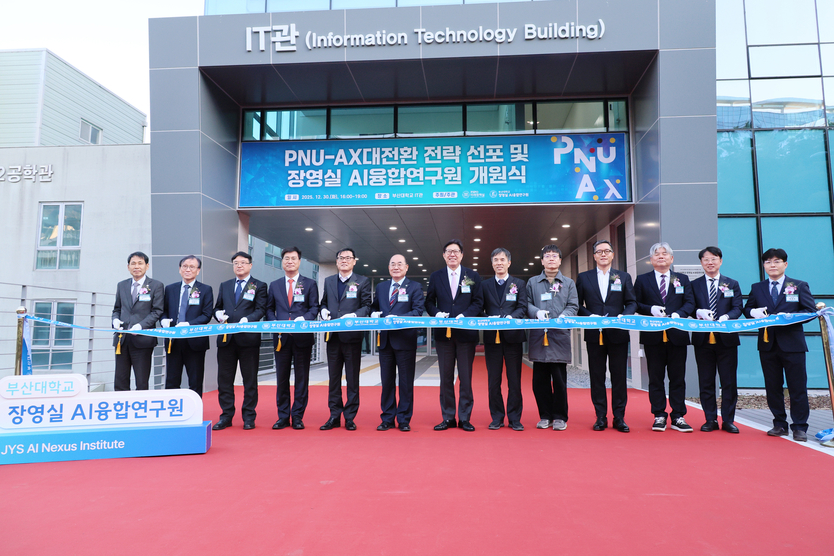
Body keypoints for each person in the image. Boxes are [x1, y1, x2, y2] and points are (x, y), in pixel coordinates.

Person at [744, 248, 816, 442]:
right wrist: (753, 313)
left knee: (797, 387)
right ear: (764, 265)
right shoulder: (757, 287)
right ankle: (779, 424)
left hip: (793, 345)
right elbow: (747, 309)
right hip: (768, 344)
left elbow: (810, 311)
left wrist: (791, 317)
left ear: (785, 264)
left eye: (776, 261)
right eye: (768, 262)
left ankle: (799, 427)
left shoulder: (798, 285)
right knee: (773, 387)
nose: (772, 265)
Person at [633, 242, 695, 432]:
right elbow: (635, 303)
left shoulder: (682, 279)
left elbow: (690, 302)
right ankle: (659, 414)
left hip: (677, 335)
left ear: (671, 258)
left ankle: (678, 416)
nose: (661, 256)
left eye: (665, 253)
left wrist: (679, 314)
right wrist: (650, 309)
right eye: (657, 254)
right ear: (651, 259)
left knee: (678, 378)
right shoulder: (642, 280)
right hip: (653, 336)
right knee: (655, 378)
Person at [576, 240, 636, 433]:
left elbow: (632, 302)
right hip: (595, 334)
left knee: (619, 376)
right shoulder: (584, 277)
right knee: (597, 376)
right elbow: (577, 305)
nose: (603, 254)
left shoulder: (623, 276)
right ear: (594, 256)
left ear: (612, 255)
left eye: (607, 251)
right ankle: (600, 416)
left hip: (618, 333)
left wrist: (624, 316)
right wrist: (589, 316)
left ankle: (619, 417)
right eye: (599, 251)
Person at [426, 239, 483, 432]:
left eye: (456, 251)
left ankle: (465, 418)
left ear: (461, 255)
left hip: (466, 335)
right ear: (444, 255)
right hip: (444, 335)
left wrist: (465, 316)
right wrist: (436, 313)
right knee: (445, 378)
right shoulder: (436, 276)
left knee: (465, 378)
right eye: (449, 251)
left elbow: (478, 302)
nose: (452, 254)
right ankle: (448, 417)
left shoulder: (472, 275)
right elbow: (429, 302)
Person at [370, 254, 426, 431]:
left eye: (399, 264)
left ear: (406, 267)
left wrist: (398, 318)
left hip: (405, 341)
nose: (396, 267)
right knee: (387, 382)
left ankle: (403, 419)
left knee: (405, 382)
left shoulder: (414, 287)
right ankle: (387, 418)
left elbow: (418, 311)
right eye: (392, 264)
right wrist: (373, 313)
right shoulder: (381, 287)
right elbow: (374, 306)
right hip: (385, 341)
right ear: (388, 268)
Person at [212, 251, 267, 430]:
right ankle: (226, 416)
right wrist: (218, 314)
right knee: (224, 380)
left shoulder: (259, 285)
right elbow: (217, 307)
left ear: (250, 265)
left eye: (243, 262)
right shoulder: (225, 285)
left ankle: (249, 416)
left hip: (248, 339)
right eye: (236, 263)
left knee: (249, 380)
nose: (239, 266)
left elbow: (261, 309)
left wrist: (248, 319)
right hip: (226, 340)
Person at [318, 248, 372, 431]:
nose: (344, 260)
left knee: (352, 378)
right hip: (333, 337)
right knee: (333, 379)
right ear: (336, 261)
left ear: (354, 261)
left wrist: (354, 316)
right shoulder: (329, 281)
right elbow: (324, 302)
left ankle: (350, 417)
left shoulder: (362, 281)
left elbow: (367, 306)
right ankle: (334, 415)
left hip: (352, 337)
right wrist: (323, 310)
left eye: (348, 258)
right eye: (341, 258)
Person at [526, 244, 578, 431]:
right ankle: (545, 415)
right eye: (547, 256)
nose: (551, 259)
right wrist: (536, 312)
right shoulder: (533, 282)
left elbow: (573, 305)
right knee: (539, 382)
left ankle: (560, 417)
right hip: (539, 336)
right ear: (542, 261)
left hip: (559, 337)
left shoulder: (568, 283)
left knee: (559, 380)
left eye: (554, 256)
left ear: (560, 260)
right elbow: (526, 303)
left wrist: (565, 316)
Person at [691, 247, 743, 434]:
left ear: (720, 261)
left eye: (714, 259)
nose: (710, 262)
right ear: (701, 263)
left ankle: (728, 420)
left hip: (726, 339)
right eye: (706, 259)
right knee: (706, 381)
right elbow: (689, 306)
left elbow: (738, 307)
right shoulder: (694, 285)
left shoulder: (732, 283)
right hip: (703, 340)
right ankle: (710, 419)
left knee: (729, 381)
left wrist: (727, 317)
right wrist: (698, 312)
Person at [267, 246, 319, 430]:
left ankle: (297, 416)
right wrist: (275, 323)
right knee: (281, 378)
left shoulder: (310, 284)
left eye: (293, 258)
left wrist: (304, 319)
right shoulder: (275, 285)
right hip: (281, 338)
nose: (290, 261)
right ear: (282, 262)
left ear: (299, 261)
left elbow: (314, 308)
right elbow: (269, 309)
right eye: (286, 258)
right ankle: (282, 416)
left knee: (301, 379)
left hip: (302, 337)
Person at [481, 248, 528, 431]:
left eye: (502, 259)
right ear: (492, 263)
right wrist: (488, 318)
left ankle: (515, 418)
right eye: (495, 260)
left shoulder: (519, 283)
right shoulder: (484, 285)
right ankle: (497, 417)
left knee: (514, 380)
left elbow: (522, 306)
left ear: (509, 262)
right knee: (493, 381)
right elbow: (479, 307)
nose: (499, 263)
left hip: (513, 337)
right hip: (492, 338)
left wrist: (511, 318)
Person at [161, 255, 214, 397]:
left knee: (195, 380)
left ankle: (195, 408)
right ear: (180, 269)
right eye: (185, 266)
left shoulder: (205, 289)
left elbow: (207, 315)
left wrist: (189, 324)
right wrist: (163, 320)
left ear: (198, 270)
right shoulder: (170, 289)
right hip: (174, 340)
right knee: (171, 380)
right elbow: (163, 310)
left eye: (192, 267)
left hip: (195, 341)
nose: (188, 270)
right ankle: (172, 408)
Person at [111, 251, 164, 391]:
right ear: (128, 267)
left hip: (143, 339)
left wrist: (141, 325)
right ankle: (121, 404)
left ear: (147, 266)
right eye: (133, 263)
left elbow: (157, 311)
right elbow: (117, 308)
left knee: (141, 381)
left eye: (140, 263)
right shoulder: (122, 285)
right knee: (120, 380)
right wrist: (115, 320)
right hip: (122, 339)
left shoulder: (156, 285)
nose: (136, 266)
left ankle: (140, 405)